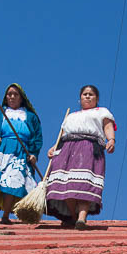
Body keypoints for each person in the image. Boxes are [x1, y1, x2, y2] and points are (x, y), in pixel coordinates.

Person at [45, 85, 115, 229]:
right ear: (80, 98)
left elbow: (108, 127)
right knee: (67, 185)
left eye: (91, 94)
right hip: (67, 149)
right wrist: (53, 147)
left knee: (83, 183)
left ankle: (82, 218)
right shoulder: (71, 116)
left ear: (97, 98)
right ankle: (73, 216)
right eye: (85, 94)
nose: (87, 96)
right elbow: (62, 135)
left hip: (88, 148)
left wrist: (111, 140)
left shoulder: (102, 112)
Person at [0, 84, 43, 224]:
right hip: (0, 148)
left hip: (20, 151)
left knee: (13, 179)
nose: (12, 97)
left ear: (21, 98)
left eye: (15, 94)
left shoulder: (31, 117)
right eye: (9, 94)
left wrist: (33, 154)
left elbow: (37, 138)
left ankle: (5, 216)